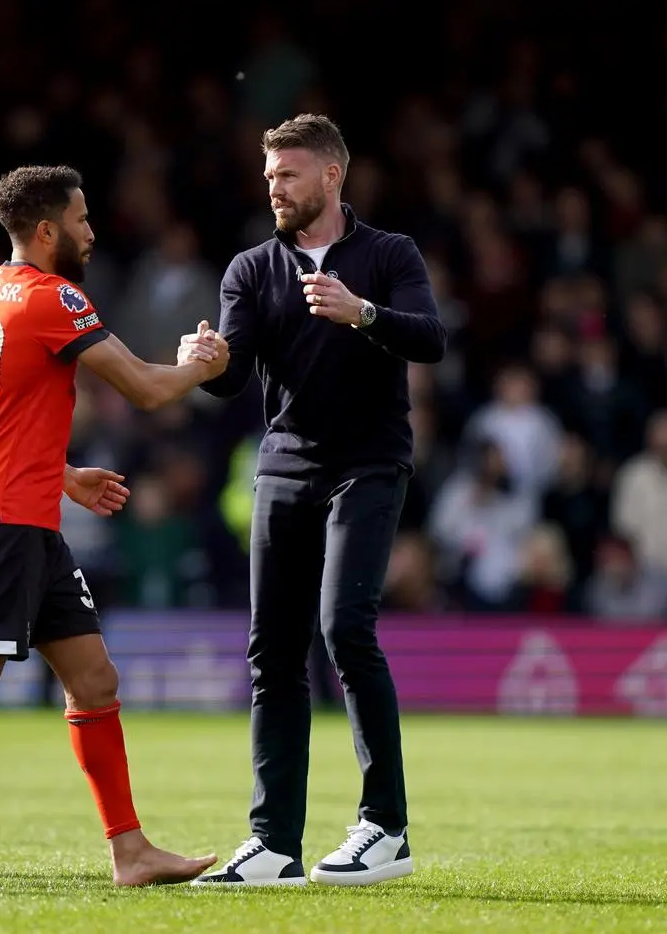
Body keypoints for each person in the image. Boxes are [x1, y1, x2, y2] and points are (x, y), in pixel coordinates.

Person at [0, 164, 228, 888]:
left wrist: (60, 472)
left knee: (94, 679)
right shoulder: (53, 298)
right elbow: (142, 387)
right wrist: (197, 367)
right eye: (81, 220)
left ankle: (130, 852)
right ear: (46, 231)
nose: (91, 232)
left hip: (25, 514)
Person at [179, 114, 446, 888]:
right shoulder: (252, 269)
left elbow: (429, 338)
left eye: (288, 175)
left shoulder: (388, 254)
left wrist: (360, 312)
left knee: (344, 629)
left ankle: (385, 828)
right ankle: (273, 843)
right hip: (285, 467)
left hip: (369, 464)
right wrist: (206, 361)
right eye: (268, 177)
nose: (274, 188)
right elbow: (233, 378)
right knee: (272, 653)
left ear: (332, 175)